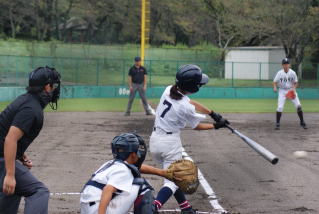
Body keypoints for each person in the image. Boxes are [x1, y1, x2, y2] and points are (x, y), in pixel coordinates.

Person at [149, 64, 229, 214]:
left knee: (174, 174)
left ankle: (186, 208)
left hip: (155, 141)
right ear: (192, 86)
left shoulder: (168, 90)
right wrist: (217, 126)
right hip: (170, 144)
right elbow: (196, 126)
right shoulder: (184, 107)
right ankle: (154, 206)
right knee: (173, 180)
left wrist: (212, 113)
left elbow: (190, 102)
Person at [0, 66, 61, 214]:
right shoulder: (31, 108)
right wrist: (9, 174)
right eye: (54, 85)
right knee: (39, 191)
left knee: (14, 190)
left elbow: (5, 132)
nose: (55, 89)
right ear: (47, 87)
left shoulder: (26, 100)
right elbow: (10, 139)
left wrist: (20, 154)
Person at [80, 133, 173, 214]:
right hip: (98, 210)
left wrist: (162, 173)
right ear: (133, 154)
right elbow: (107, 190)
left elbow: (138, 168)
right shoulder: (123, 171)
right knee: (142, 185)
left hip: (87, 207)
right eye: (137, 150)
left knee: (128, 186)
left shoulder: (112, 164)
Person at [273, 58, 307, 130]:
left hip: (290, 90)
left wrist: (294, 88)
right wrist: (275, 87)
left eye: (287, 64)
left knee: (298, 106)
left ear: (289, 65)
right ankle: (277, 123)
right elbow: (275, 82)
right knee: (280, 107)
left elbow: (295, 82)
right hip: (282, 90)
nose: (286, 65)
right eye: (284, 64)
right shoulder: (279, 73)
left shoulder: (293, 73)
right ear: (282, 65)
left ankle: (302, 121)